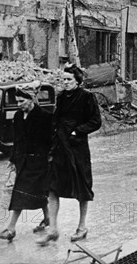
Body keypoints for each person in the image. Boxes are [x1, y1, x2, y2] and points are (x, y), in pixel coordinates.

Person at [37, 65, 102, 246]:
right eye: (63, 79)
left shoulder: (87, 97)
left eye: (68, 80)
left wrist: (77, 132)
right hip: (59, 148)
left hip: (77, 149)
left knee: (82, 188)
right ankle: (53, 229)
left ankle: (82, 227)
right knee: (52, 187)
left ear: (78, 81)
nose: (65, 83)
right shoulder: (61, 97)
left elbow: (96, 121)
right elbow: (55, 120)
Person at [0, 82, 52, 241]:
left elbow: (50, 141)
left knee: (22, 192)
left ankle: (11, 228)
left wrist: (48, 158)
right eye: (17, 101)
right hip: (23, 161)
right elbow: (17, 140)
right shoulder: (18, 116)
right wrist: (13, 160)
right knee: (36, 192)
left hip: (39, 162)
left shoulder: (45, 117)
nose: (18, 105)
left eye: (22, 101)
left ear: (32, 99)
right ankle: (47, 219)